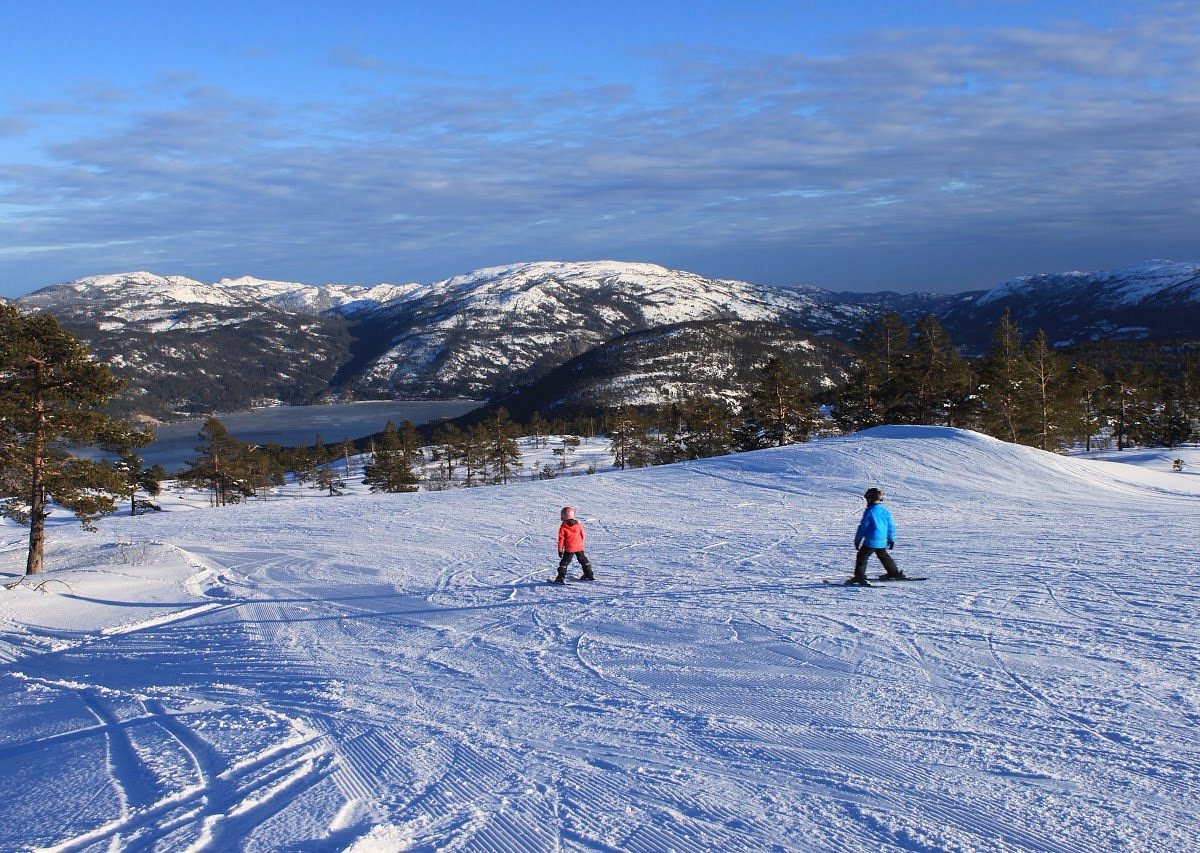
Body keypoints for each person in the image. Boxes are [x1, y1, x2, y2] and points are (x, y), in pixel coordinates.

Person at [850, 487, 905, 585]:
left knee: (862, 557)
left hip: (871, 540)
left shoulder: (870, 511)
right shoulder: (885, 511)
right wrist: (891, 539)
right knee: (884, 556)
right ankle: (894, 573)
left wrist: (857, 540)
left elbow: (863, 527)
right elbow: (890, 526)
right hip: (882, 540)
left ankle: (859, 577)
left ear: (870, 498)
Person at [553, 505, 594, 583]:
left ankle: (560, 578)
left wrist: (560, 550)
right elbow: (583, 534)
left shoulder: (563, 527)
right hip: (579, 547)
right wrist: (581, 543)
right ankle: (589, 574)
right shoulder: (578, 525)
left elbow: (561, 540)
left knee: (564, 562)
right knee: (583, 560)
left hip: (569, 548)